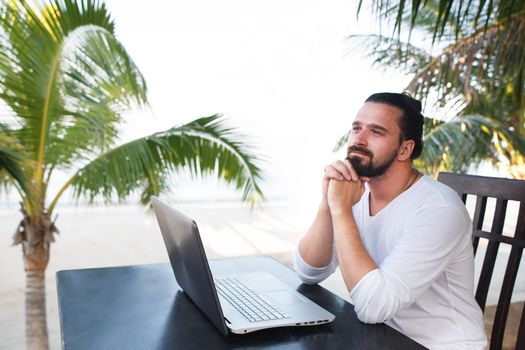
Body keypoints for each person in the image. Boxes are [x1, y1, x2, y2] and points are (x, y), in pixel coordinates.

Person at [293, 92, 487, 350]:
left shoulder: (438, 209)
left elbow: (373, 307)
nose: (359, 140)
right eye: (356, 128)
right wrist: (328, 203)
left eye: (376, 132)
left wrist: (340, 209)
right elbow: (309, 272)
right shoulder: (357, 194)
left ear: (405, 149)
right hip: (382, 337)